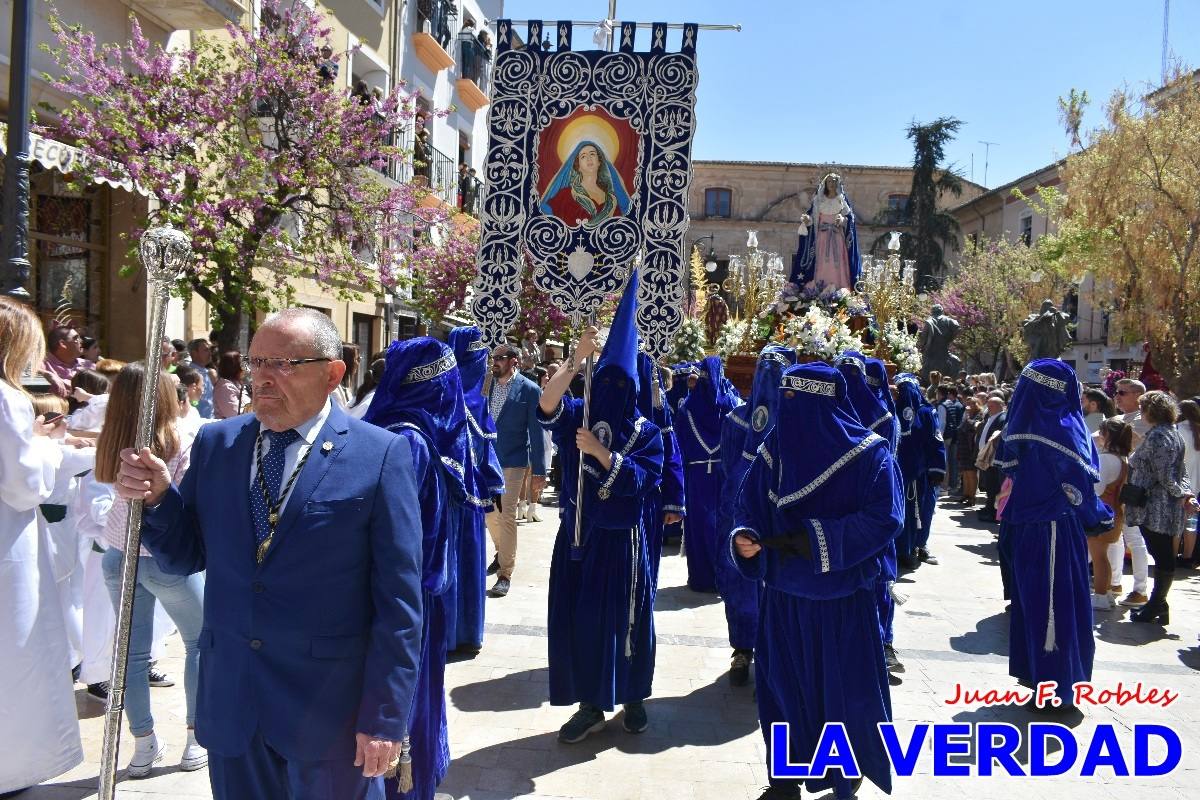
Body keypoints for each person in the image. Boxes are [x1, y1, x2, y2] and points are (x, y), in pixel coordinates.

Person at [114, 308, 425, 799]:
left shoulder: (380, 454)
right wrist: (157, 498)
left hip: (329, 716)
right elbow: (184, 555)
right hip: (233, 706)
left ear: (333, 373)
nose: (262, 378)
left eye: (283, 364)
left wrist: (385, 717)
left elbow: (400, 606)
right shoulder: (218, 443)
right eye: (257, 362)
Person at [731, 362, 902, 800]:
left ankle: (844, 781)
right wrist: (745, 537)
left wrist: (816, 540)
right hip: (784, 598)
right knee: (782, 693)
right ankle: (785, 779)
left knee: (842, 697)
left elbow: (886, 519)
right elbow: (748, 503)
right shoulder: (776, 447)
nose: (785, 410)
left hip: (842, 601)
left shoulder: (871, 454)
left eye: (794, 400)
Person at [536, 273, 664, 743]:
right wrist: (575, 361)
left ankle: (633, 696)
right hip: (579, 534)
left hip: (624, 544)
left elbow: (645, 481)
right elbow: (547, 404)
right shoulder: (581, 409)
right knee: (583, 620)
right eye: (603, 379)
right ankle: (590, 702)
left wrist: (603, 454)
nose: (609, 387)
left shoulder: (648, 433)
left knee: (628, 619)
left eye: (619, 382)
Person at [365, 337, 473, 800]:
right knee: (403, 703)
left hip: (411, 594)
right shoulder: (410, 440)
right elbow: (402, 537)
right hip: (406, 600)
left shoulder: (408, 429)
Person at [0, 297, 92, 794]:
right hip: (6, 549)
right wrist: (47, 448)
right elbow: (23, 484)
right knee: (13, 656)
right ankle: (11, 765)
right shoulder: (7, 397)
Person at [97, 362, 207, 776]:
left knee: (133, 653)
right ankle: (195, 737)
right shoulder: (177, 440)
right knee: (200, 642)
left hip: (118, 554)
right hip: (163, 558)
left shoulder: (112, 440)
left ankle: (143, 744)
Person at [995, 360, 1113, 709]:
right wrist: (1098, 517)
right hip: (1055, 531)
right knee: (1057, 607)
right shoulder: (1064, 429)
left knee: (1034, 603)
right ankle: (1058, 689)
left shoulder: (1023, 427)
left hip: (1024, 529)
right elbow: (1077, 489)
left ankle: (1038, 677)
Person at [716, 348, 795, 686]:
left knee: (777, 585)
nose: (768, 378)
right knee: (741, 583)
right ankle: (742, 648)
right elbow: (727, 464)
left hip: (781, 516)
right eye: (764, 370)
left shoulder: (798, 421)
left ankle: (775, 654)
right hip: (740, 513)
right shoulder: (736, 418)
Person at [837, 352, 906, 673]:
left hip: (868, 509)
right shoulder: (833, 413)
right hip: (852, 511)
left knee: (878, 579)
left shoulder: (882, 419)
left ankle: (883, 641)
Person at [447, 326, 505, 654]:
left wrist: (493, 481)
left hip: (471, 504)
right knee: (450, 563)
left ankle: (467, 633)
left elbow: (487, 447)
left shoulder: (478, 399)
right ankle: (450, 633)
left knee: (467, 561)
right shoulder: (444, 395)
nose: (484, 366)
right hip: (447, 503)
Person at [1124, 391, 1195, 625]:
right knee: (1161, 553)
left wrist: (1183, 494)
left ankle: (1156, 605)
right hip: (1159, 504)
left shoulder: (1160, 436)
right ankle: (1159, 605)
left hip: (1156, 506)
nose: (1141, 413)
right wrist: (1184, 494)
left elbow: (1166, 475)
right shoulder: (1170, 434)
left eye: (1143, 408)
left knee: (1162, 555)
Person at [484, 343, 546, 597]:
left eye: (500, 358)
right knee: (489, 513)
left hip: (513, 461)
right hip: (487, 459)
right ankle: (502, 551)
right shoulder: (486, 385)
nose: (494, 362)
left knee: (507, 513)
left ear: (514, 362)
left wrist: (540, 471)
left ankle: (505, 573)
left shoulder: (529, 390)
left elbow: (536, 431)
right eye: (493, 358)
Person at [676, 355, 741, 592]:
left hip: (696, 474)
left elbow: (679, 445)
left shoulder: (687, 408)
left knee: (699, 525)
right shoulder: (733, 407)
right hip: (724, 475)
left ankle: (701, 577)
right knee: (723, 524)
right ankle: (723, 577)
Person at [636, 352, 686, 588]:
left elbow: (670, 450)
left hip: (647, 500)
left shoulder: (656, 406)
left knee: (642, 570)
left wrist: (674, 499)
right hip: (604, 501)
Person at [894, 373, 946, 569]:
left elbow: (936, 440)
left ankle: (918, 546)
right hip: (899, 472)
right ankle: (901, 549)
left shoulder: (926, 412)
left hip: (921, 473)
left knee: (922, 511)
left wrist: (937, 468)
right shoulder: (892, 410)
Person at [1110, 378, 1151, 607]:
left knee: (1134, 538)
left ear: (1137, 395)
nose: (1117, 396)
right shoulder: (1118, 418)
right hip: (1115, 484)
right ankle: (1114, 581)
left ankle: (1140, 589)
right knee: (1114, 535)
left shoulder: (1143, 421)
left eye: (1122, 392)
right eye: (1117, 392)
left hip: (1132, 486)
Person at [789, 172, 860, 290]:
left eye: (834, 181)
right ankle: (819, 288)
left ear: (838, 183)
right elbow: (814, 218)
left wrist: (842, 220)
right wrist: (808, 220)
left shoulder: (841, 200)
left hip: (837, 238)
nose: (832, 183)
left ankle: (839, 288)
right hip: (821, 238)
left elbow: (850, 219)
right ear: (825, 183)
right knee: (822, 263)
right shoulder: (819, 200)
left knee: (836, 263)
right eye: (829, 181)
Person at [1089, 418, 1132, 610]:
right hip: (1115, 512)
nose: (1098, 436)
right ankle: (1105, 594)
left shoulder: (1106, 459)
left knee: (1098, 556)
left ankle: (1099, 596)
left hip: (1101, 513)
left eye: (1101, 432)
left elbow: (1097, 489)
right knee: (1102, 555)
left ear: (1108, 436)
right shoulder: (1122, 459)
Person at [539, 140, 631, 228]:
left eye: (592, 154)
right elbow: (546, 218)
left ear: (599, 162)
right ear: (578, 166)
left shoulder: (612, 201)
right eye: (583, 156)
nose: (589, 158)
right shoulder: (565, 195)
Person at [975, 393, 1008, 523]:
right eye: (988, 405)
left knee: (994, 485)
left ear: (1000, 406)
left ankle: (993, 512)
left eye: (992, 406)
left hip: (994, 458)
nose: (989, 408)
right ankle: (988, 508)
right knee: (989, 485)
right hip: (987, 457)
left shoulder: (1002, 418)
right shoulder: (992, 416)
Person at [1177, 399, 1200, 567]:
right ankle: (1188, 557)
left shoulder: (1178, 430)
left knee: (1178, 521)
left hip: (1181, 481)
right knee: (1191, 521)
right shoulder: (1197, 431)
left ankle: (1173, 555)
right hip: (1196, 481)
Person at [41, 325, 85, 398]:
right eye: (76, 338)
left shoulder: (89, 365)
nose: (81, 341)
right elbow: (25, 370)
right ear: (62, 344)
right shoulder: (44, 363)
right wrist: (48, 374)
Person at [954, 396, 982, 505]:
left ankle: (972, 497)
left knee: (971, 472)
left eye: (972, 403)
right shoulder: (967, 414)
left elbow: (974, 427)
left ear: (977, 404)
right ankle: (965, 494)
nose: (969, 406)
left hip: (971, 448)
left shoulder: (979, 415)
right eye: (968, 403)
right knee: (965, 472)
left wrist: (967, 417)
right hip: (963, 447)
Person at [213, 350, 250, 419]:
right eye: (243, 366)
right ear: (235, 368)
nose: (246, 369)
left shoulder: (237, 384)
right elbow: (234, 414)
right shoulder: (224, 387)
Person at [188, 338, 217, 419]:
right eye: (205, 350)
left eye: (209, 350)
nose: (210, 353)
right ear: (194, 353)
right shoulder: (190, 374)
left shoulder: (208, 372)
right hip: (197, 421)